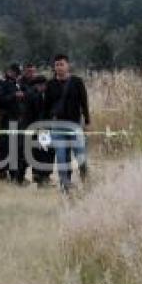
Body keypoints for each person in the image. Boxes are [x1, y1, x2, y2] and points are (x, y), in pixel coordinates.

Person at [44, 54, 90, 193]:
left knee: (80, 155)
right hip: (57, 126)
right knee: (61, 156)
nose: (59, 67)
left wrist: (87, 121)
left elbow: (84, 102)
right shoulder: (50, 84)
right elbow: (46, 106)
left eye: (61, 64)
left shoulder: (77, 82)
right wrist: (46, 126)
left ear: (68, 65)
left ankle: (86, 180)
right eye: (56, 65)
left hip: (75, 124)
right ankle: (65, 184)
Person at [0, 64, 26, 182]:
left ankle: (14, 175)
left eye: (18, 73)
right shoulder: (1, 83)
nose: (16, 75)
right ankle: (3, 172)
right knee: (4, 147)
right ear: (9, 71)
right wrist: (14, 95)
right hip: (6, 120)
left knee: (15, 148)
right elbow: (0, 100)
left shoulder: (16, 84)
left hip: (17, 120)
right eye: (15, 72)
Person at [22, 74, 54, 187]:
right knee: (44, 153)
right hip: (40, 129)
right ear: (41, 85)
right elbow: (39, 113)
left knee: (37, 153)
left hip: (32, 128)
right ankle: (43, 178)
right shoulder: (36, 95)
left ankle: (38, 175)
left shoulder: (30, 93)